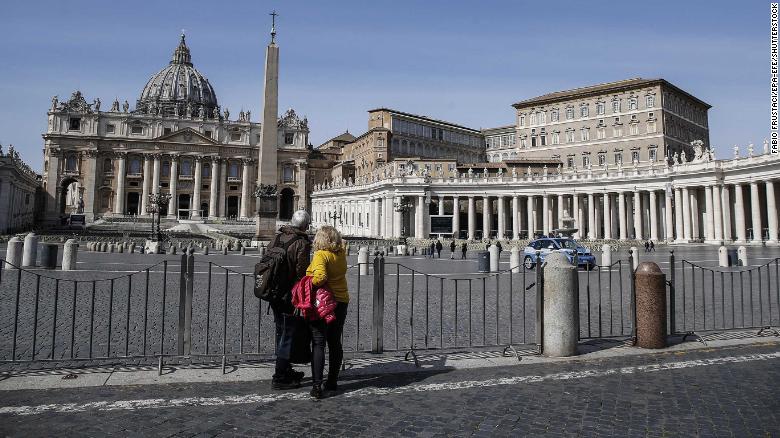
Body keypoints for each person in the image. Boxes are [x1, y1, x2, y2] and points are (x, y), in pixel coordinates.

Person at [268, 210, 311, 390]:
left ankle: (285, 368)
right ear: (305, 226)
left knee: (280, 331)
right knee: (288, 334)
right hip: (288, 295)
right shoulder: (301, 243)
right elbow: (302, 272)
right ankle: (280, 376)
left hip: (273, 291)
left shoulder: (277, 238)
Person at [306, 225, 349, 399]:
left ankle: (317, 386)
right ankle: (332, 381)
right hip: (341, 301)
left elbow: (321, 277)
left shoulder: (320, 255)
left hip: (323, 302)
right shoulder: (341, 255)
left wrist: (308, 282)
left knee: (318, 342)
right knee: (335, 342)